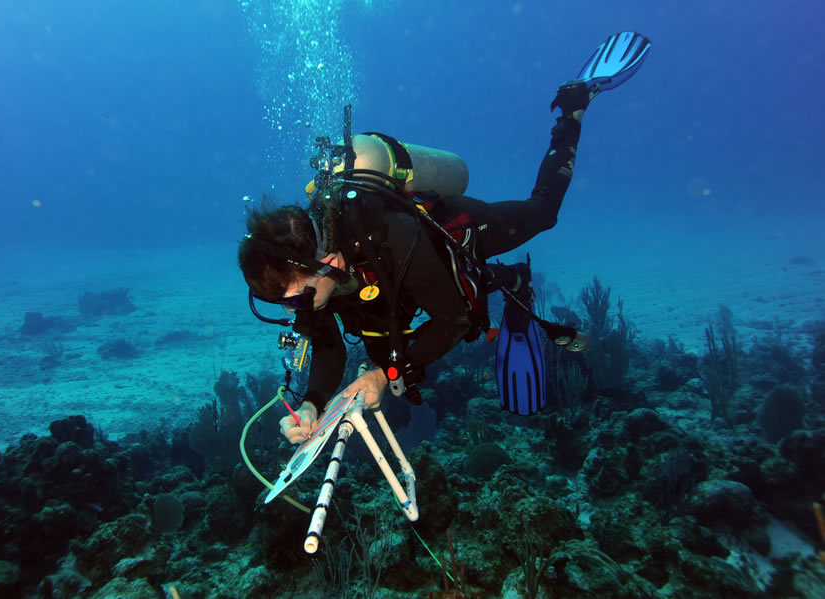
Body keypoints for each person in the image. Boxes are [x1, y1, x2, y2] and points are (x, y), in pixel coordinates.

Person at [238, 32, 651, 443]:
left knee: (542, 215)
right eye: (284, 303)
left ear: (329, 263)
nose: (295, 312)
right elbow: (328, 347)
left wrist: (383, 375)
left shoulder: (387, 236)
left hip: (451, 234)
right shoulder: (312, 275)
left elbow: (454, 319)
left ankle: (573, 112)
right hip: (405, 284)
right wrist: (311, 404)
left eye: (295, 300)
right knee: (394, 335)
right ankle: (501, 279)